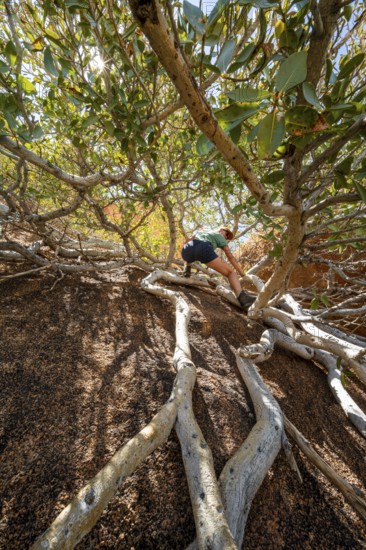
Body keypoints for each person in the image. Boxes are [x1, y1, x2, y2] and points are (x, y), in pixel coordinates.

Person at [181, 226, 255, 311]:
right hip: (203, 248)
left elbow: (190, 241)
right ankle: (242, 298)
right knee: (231, 272)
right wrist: (242, 273)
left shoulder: (204, 230)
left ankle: (187, 267)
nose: (226, 237)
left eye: (228, 238)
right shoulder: (219, 236)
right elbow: (230, 257)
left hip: (186, 251)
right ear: (221, 230)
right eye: (227, 234)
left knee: (191, 251)